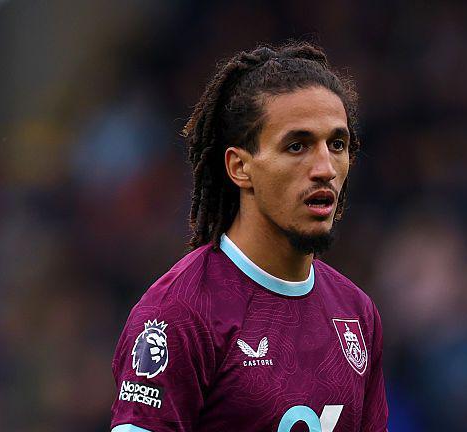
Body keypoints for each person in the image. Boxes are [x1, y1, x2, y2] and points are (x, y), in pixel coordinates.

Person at [110, 41, 388, 432]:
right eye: (297, 146)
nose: (325, 168)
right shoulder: (179, 314)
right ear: (240, 167)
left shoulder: (356, 314)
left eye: (337, 145)